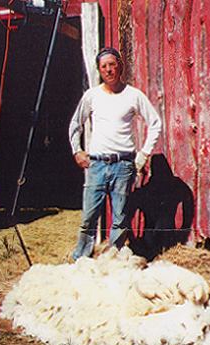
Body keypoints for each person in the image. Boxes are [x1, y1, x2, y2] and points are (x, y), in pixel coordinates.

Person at [68, 47, 162, 260]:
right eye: (104, 67)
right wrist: (77, 151)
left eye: (112, 65)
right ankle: (81, 260)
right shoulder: (92, 96)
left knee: (120, 217)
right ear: (99, 70)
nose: (109, 70)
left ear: (120, 66)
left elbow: (155, 123)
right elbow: (75, 125)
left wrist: (144, 154)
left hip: (123, 166)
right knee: (89, 216)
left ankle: (114, 260)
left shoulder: (133, 96)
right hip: (97, 165)